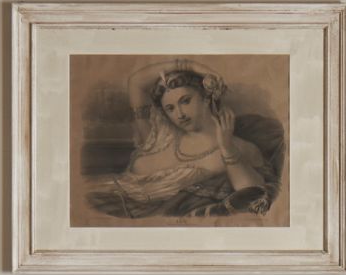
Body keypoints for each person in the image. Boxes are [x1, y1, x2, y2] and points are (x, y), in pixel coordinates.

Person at [86, 62, 276, 220]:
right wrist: (187, 65)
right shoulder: (161, 136)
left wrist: (227, 148)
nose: (180, 114)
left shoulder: (237, 147)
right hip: (100, 197)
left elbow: (254, 197)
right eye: (170, 108)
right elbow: (136, 83)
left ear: (206, 98)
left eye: (185, 101)